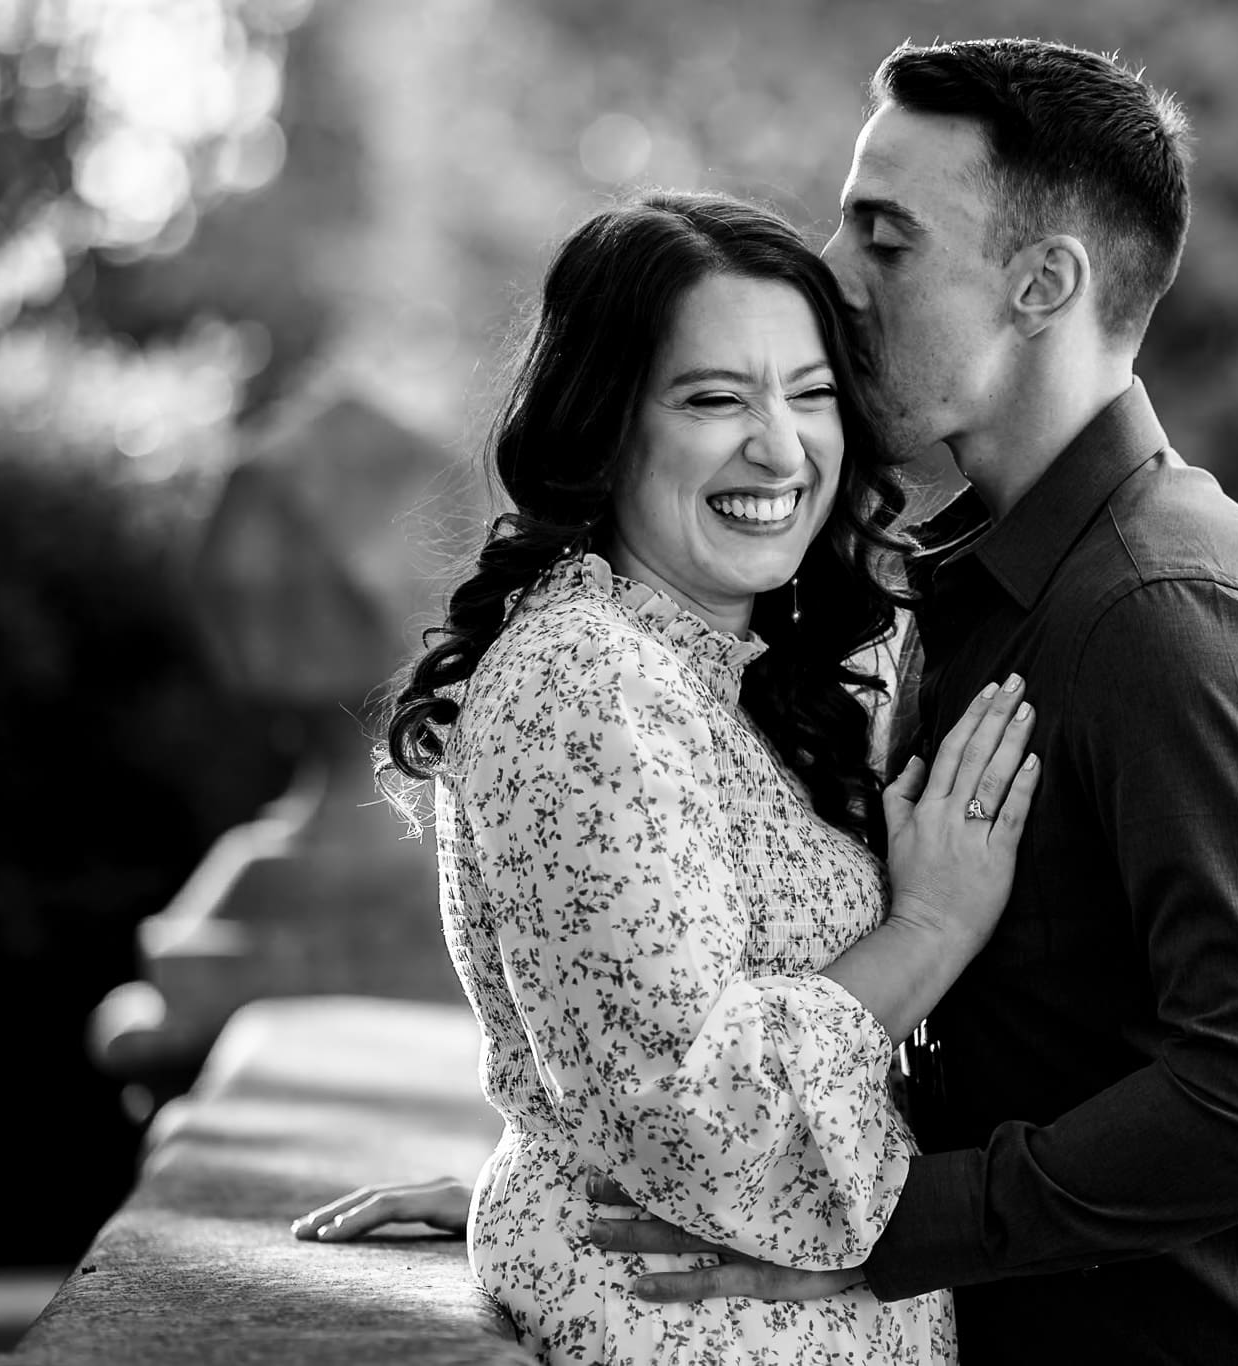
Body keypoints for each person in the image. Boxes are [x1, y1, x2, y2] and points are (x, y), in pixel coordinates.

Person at [589, 38, 1238, 1365]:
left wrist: (885, 1224)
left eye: (886, 236)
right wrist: (586, 1184)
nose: (829, 270)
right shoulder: (984, 575)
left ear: (1044, 283)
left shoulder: (1166, 614)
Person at [292, 192, 1042, 1364]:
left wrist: (559, 1158)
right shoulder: (585, 679)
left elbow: (630, 1057)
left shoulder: (728, 667)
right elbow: (684, 1110)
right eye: (713, 398)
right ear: (605, 427)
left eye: (808, 394)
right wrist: (931, 927)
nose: (781, 448)